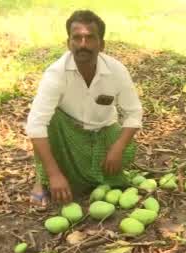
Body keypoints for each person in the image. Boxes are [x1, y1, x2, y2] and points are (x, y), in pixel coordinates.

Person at [25, 9, 143, 208]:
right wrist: (54, 175)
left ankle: (89, 177)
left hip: (104, 132)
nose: (83, 44)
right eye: (77, 38)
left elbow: (134, 113)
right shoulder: (56, 74)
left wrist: (117, 147)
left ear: (101, 44)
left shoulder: (116, 71)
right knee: (50, 121)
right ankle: (42, 181)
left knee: (126, 149)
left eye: (90, 38)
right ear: (68, 43)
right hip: (67, 133)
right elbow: (35, 126)